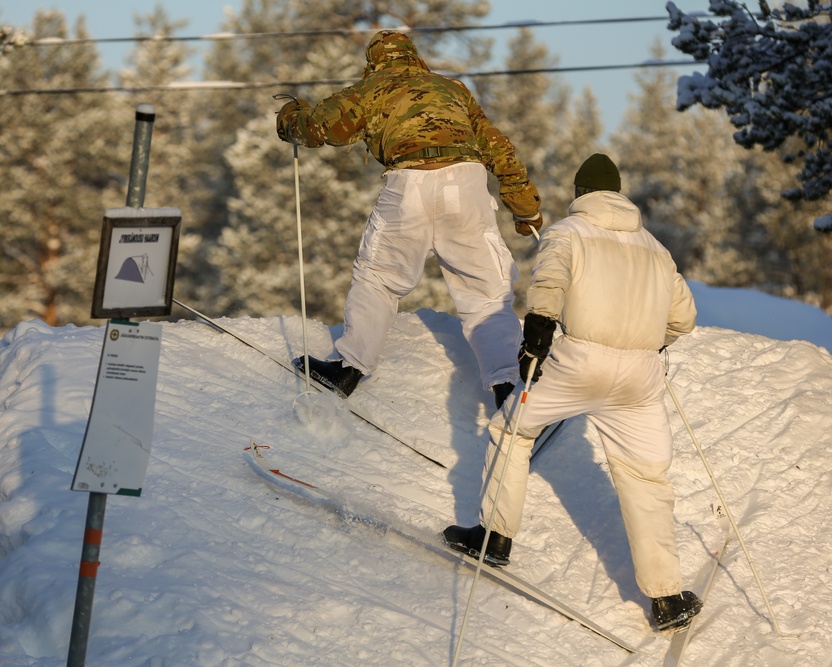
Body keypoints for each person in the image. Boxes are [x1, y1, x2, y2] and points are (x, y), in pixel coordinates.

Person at [443, 153, 701, 632]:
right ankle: (667, 598)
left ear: (581, 194)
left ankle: (494, 537)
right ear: (619, 194)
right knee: (646, 478)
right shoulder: (656, 248)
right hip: (641, 378)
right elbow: (683, 318)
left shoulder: (568, 232)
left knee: (512, 431)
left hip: (580, 362)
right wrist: (647, 339)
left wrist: (539, 327)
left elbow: (552, 279)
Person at [275, 30, 542, 408]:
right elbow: (497, 146)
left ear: (374, 62)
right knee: (485, 291)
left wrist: (289, 116)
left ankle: (349, 368)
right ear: (414, 57)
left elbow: (318, 128)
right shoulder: (452, 88)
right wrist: (524, 205)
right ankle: (508, 388)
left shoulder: (369, 90)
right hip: (466, 182)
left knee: (379, 277)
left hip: (409, 184)